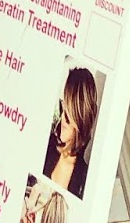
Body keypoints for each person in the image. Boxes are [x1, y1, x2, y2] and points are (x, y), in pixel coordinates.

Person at [41, 67, 98, 200]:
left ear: (81, 119)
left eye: (68, 115)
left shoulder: (85, 180)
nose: (62, 119)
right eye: (62, 106)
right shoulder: (46, 146)